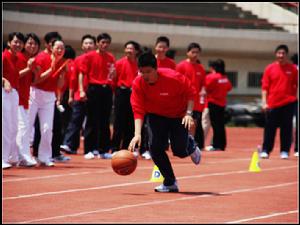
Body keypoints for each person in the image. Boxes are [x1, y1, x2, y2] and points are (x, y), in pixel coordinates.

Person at [128, 52, 201, 193]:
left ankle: (191, 145)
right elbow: (138, 110)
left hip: (178, 115)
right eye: (142, 72)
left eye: (148, 71)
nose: (145, 75)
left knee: (179, 151)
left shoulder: (173, 77)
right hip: (156, 116)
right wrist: (137, 134)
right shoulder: (138, 83)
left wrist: (188, 114)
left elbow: (191, 92)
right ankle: (170, 182)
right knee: (155, 148)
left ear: (156, 69)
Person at [29, 38, 67, 166]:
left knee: (47, 128)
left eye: (62, 48)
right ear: (51, 47)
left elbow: (60, 85)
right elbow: (36, 80)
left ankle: (44, 156)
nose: (60, 50)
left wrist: (61, 74)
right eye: (57, 47)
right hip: (35, 93)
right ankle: (24, 155)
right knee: (27, 126)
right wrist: (51, 69)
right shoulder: (41, 57)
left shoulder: (62, 62)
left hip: (49, 96)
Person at [78, 33, 115, 159]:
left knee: (105, 121)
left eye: (107, 43)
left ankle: (103, 150)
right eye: (103, 42)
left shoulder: (110, 57)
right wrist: (82, 90)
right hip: (93, 89)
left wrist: (112, 76)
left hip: (106, 90)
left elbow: (112, 75)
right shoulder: (89, 56)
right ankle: (89, 149)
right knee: (91, 120)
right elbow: (82, 74)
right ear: (98, 43)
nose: (105, 45)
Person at [260, 45, 298, 159]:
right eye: (279, 53)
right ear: (276, 54)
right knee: (269, 129)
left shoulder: (293, 69)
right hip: (272, 104)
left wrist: (295, 98)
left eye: (283, 53)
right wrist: (264, 102)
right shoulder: (269, 68)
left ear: (286, 55)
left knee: (286, 128)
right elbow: (265, 87)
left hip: (288, 103)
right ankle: (266, 150)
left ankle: (284, 151)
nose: (281, 55)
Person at [60, 34, 96, 155]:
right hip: (78, 95)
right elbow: (73, 79)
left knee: (92, 122)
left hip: (94, 94)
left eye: (90, 43)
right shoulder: (78, 60)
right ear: (82, 45)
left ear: (94, 45)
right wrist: (70, 96)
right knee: (75, 120)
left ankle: (92, 148)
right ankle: (70, 145)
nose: (88, 45)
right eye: (86, 43)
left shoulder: (98, 58)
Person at [111, 41, 141, 154]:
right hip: (121, 93)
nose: (129, 51)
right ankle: (114, 147)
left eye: (131, 49)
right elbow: (114, 80)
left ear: (136, 51)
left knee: (131, 122)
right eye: (127, 48)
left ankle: (127, 148)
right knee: (119, 122)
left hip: (134, 94)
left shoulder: (139, 64)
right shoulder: (119, 63)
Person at [16, 33, 40, 167]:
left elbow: (34, 81)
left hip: (25, 98)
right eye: (30, 43)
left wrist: (35, 70)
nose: (32, 46)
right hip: (15, 98)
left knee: (22, 128)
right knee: (23, 127)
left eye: (35, 44)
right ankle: (23, 156)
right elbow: (14, 76)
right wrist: (28, 68)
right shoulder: (19, 57)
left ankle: (18, 156)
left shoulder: (31, 60)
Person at [176, 43, 206, 150]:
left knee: (194, 124)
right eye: (193, 52)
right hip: (183, 101)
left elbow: (203, 84)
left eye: (197, 52)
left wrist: (203, 91)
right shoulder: (181, 66)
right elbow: (176, 82)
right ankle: (181, 144)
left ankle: (190, 144)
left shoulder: (201, 68)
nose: (195, 54)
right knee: (182, 124)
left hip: (196, 102)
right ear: (187, 53)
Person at [2, 32, 25, 169]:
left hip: (13, 93)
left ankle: (10, 156)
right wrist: (4, 80)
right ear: (9, 42)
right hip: (4, 92)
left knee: (13, 127)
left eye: (20, 43)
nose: (18, 44)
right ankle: (3, 157)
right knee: (5, 126)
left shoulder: (18, 58)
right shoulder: (4, 56)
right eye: (15, 42)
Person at [205, 59, 232, 151]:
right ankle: (222, 144)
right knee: (221, 125)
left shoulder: (211, 77)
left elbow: (205, 88)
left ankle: (216, 145)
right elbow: (229, 88)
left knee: (215, 125)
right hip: (222, 103)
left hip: (213, 103)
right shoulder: (225, 78)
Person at [290, 53, 298, 157]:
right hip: (294, 99)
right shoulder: (293, 69)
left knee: (290, 123)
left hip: (291, 99)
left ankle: (289, 142)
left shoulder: (292, 69)